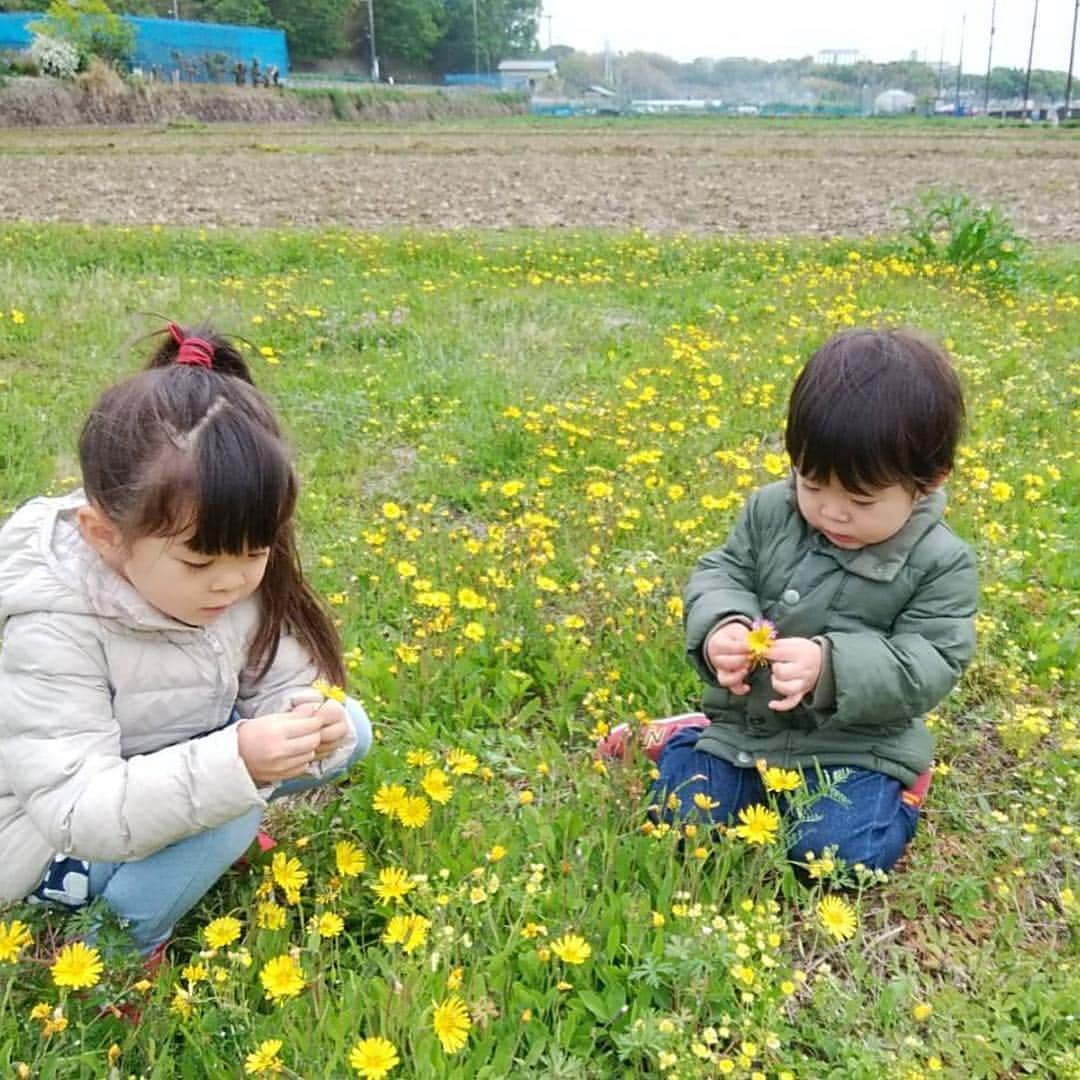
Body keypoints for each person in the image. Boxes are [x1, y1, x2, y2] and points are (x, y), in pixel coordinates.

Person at [0, 322, 372, 958]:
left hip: (156, 761)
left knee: (351, 729)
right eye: (199, 566)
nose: (231, 584)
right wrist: (236, 765)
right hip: (44, 838)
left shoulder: (214, 554)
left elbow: (282, 676)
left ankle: (196, 839)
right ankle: (113, 950)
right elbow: (76, 808)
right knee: (230, 808)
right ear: (104, 535)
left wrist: (311, 717)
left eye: (256, 554)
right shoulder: (52, 624)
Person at [599, 328, 977, 874]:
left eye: (861, 499)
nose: (832, 512)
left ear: (928, 481)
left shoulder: (942, 562)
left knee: (837, 860)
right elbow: (722, 571)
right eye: (813, 484)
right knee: (682, 827)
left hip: (857, 749)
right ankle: (688, 737)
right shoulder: (771, 512)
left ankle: (907, 785)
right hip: (745, 732)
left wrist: (832, 667)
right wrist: (720, 627)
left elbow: (933, 661)